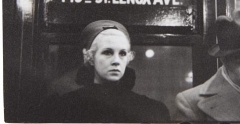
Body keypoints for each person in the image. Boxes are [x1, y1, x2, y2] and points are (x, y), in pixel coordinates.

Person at [38, 20, 170, 122]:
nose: (116, 61)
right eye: (107, 52)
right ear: (90, 57)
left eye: (123, 53)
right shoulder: (63, 108)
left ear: (129, 58)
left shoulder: (152, 109)